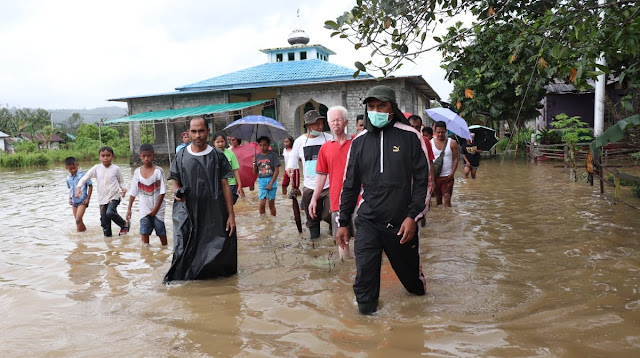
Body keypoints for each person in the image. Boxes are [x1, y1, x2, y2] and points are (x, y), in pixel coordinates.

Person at [337, 85, 429, 315]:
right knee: (365, 289)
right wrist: (343, 221)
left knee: (414, 287)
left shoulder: (410, 137)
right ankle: (368, 327)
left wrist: (413, 217)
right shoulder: (358, 142)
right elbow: (350, 185)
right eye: (371, 107)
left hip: (400, 223)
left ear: (392, 108)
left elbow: (423, 182)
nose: (375, 111)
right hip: (368, 221)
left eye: (381, 106)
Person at [164, 116, 237, 282]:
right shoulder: (181, 156)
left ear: (208, 131)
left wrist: (231, 215)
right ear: (189, 133)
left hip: (214, 213)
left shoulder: (218, 156)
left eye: (201, 131)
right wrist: (177, 194)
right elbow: (175, 183)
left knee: (218, 252)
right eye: (194, 131)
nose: (198, 135)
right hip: (187, 213)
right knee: (183, 249)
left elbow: (225, 185)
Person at [309, 106, 354, 259]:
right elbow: (321, 176)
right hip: (337, 201)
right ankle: (345, 274)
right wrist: (314, 198)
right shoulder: (325, 148)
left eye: (339, 120)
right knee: (342, 241)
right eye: (332, 120)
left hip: (359, 200)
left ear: (346, 122)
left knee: (365, 240)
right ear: (329, 123)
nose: (335, 123)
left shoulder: (356, 143)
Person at [287, 110, 333, 239]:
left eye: (321, 123)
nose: (320, 126)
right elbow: (293, 159)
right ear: (308, 126)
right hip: (310, 185)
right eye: (316, 124)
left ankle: (333, 233)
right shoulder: (299, 141)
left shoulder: (329, 139)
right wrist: (290, 168)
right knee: (312, 217)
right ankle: (315, 244)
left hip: (329, 184)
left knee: (331, 213)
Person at [75, 146, 129, 237]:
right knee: (105, 224)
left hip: (114, 196)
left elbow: (121, 181)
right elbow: (85, 177)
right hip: (102, 199)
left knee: (110, 212)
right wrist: (78, 187)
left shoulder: (116, 169)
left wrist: (123, 189)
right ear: (99, 157)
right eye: (103, 155)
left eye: (108, 155)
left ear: (112, 157)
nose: (105, 158)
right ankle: (109, 245)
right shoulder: (96, 168)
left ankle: (124, 224)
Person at [125, 144, 168, 246]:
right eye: (144, 156)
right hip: (144, 208)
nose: (146, 159)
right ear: (140, 156)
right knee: (144, 232)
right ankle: (146, 255)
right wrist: (129, 208)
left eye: (149, 156)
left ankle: (165, 250)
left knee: (161, 232)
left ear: (154, 156)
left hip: (158, 208)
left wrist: (156, 209)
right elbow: (133, 191)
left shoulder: (158, 171)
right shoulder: (137, 172)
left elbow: (162, 192)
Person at [431, 121, 459, 207]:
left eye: (442, 132)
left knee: (447, 198)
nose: (440, 134)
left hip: (447, 177)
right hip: (435, 177)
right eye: (438, 132)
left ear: (446, 131)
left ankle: (449, 218)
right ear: (435, 131)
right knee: (438, 200)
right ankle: (441, 219)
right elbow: (429, 161)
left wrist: (452, 173)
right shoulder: (430, 143)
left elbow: (456, 159)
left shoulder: (452, 143)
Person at [213, 132, 244, 204]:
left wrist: (239, 185)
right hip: (217, 185)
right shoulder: (211, 154)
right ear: (213, 143)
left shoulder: (231, 153)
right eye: (218, 142)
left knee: (230, 203)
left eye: (222, 141)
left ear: (225, 142)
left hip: (231, 184)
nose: (220, 144)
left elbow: (235, 170)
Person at [254, 136, 280, 216]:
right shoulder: (257, 157)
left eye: (264, 145)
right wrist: (254, 163)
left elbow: (277, 170)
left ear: (268, 145)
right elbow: (255, 172)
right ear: (258, 145)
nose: (262, 147)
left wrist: (271, 183)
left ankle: (272, 221)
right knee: (262, 203)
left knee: (271, 204)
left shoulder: (273, 155)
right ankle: (263, 222)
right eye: (260, 145)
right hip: (261, 181)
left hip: (272, 180)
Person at [65, 157, 92, 232]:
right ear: (66, 168)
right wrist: (69, 198)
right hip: (74, 201)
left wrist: (88, 199)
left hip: (82, 201)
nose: (73, 170)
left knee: (78, 219)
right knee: (78, 221)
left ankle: (81, 236)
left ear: (77, 165)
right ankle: (83, 235)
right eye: (70, 169)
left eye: (74, 168)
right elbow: (70, 189)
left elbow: (90, 186)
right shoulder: (68, 178)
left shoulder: (83, 175)